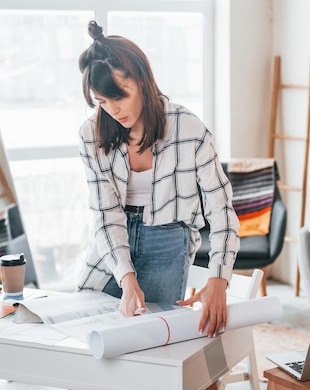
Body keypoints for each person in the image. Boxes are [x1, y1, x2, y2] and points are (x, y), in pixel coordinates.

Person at [76, 20, 240, 337]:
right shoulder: (91, 134)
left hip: (168, 241)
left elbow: (221, 210)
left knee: (156, 341)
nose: (112, 110)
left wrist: (218, 279)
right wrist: (126, 277)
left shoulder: (190, 130)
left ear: (142, 79)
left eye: (118, 96)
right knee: (92, 337)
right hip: (112, 240)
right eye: (102, 102)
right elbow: (104, 214)